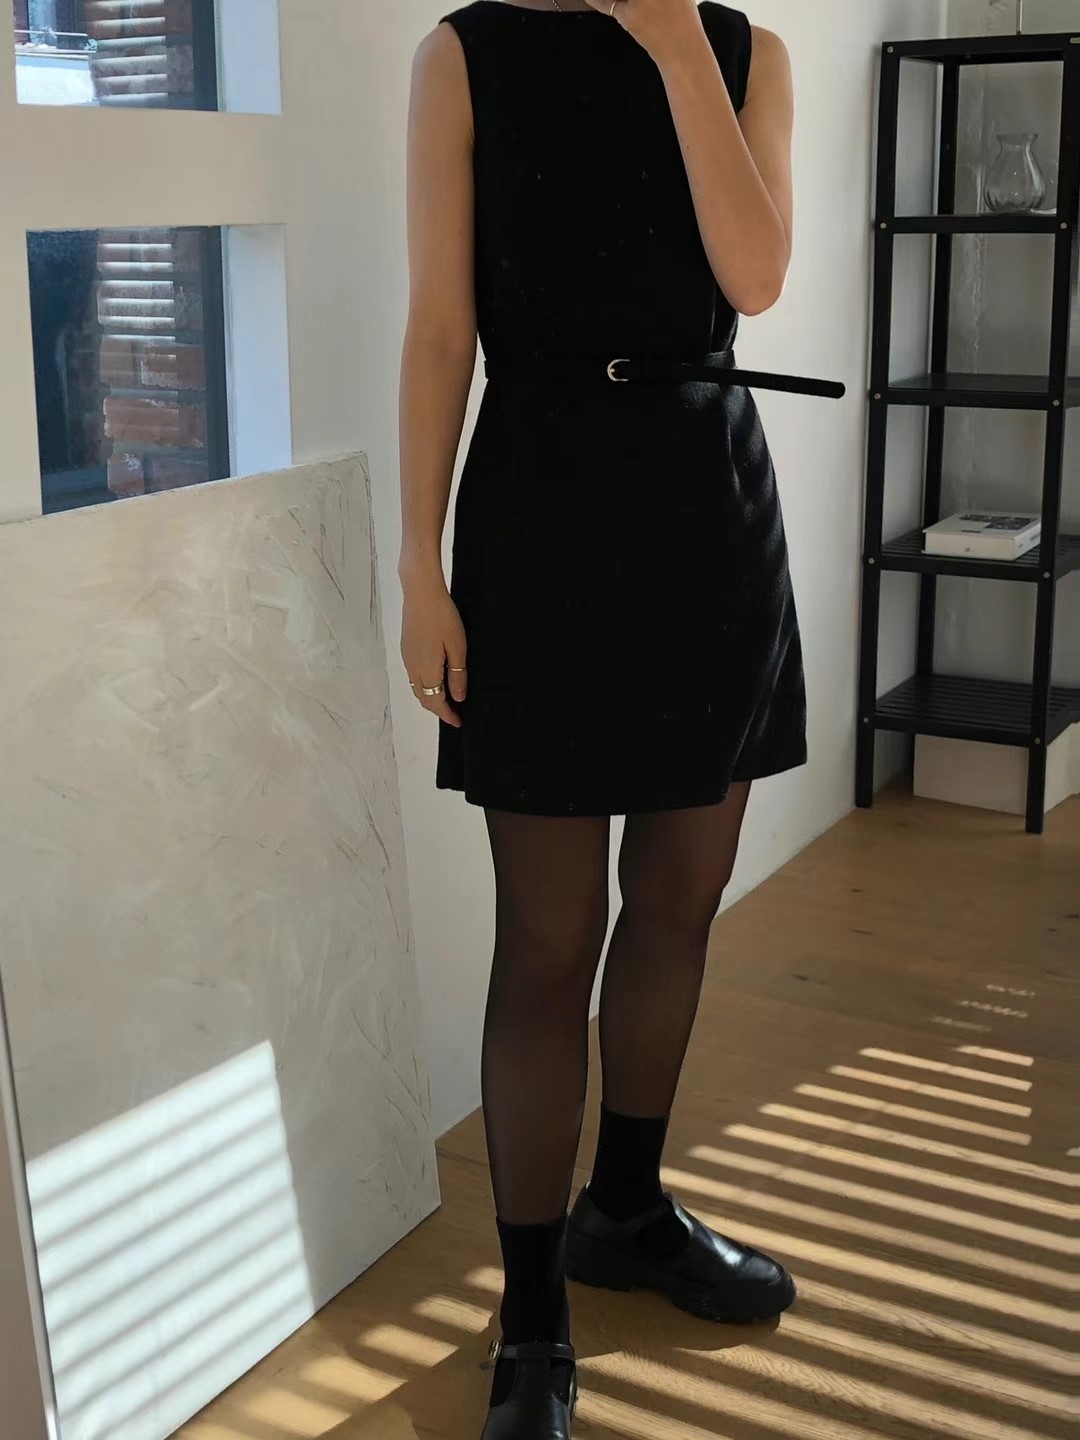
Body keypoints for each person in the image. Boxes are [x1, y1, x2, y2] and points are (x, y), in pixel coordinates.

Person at [399, 3, 814, 1436]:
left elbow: (755, 275)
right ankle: (531, 1314)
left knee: (681, 899)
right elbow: (441, 329)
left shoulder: (747, 53)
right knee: (548, 935)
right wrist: (420, 570)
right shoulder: (466, 56)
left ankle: (626, 1211)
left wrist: (676, 44)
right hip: (538, 519)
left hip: (709, 518)